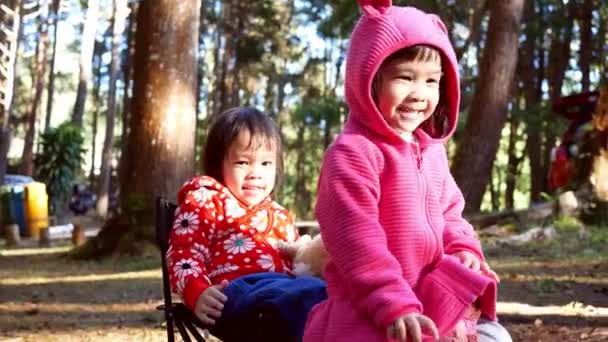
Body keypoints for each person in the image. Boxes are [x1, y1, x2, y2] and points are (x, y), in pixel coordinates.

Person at [303, 2, 511, 342]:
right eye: (405, 77)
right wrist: (393, 303)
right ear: (368, 79)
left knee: (496, 336)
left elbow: (450, 214)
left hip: (431, 301)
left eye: (432, 81)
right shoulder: (352, 155)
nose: (420, 94)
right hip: (372, 312)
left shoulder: (431, 152)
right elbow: (358, 243)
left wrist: (463, 247)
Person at [167, 107, 326, 342]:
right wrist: (197, 291)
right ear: (218, 164)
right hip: (232, 291)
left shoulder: (280, 214)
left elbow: (299, 260)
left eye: (265, 163)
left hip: (287, 292)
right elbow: (184, 254)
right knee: (307, 295)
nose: (255, 173)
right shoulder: (206, 200)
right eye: (243, 162)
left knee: (324, 295)